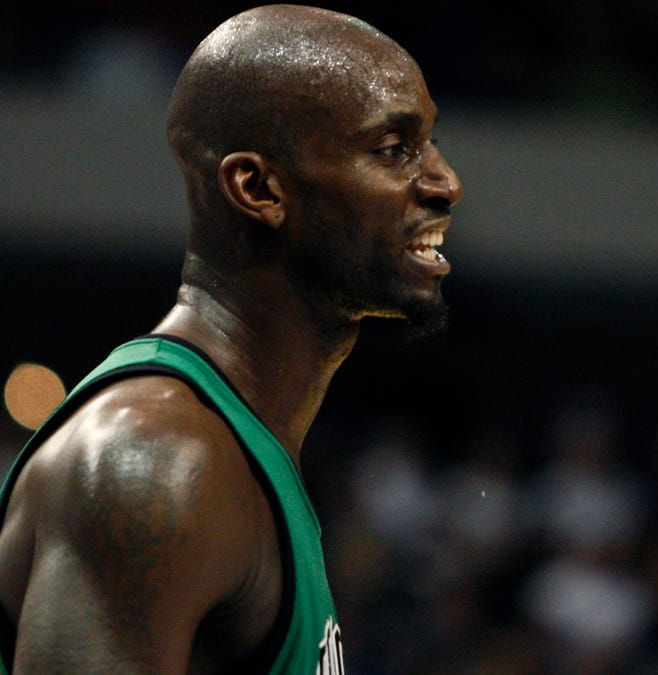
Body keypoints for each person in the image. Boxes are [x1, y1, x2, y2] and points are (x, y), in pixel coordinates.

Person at [0, 4, 461, 673]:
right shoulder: (156, 461)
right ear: (258, 187)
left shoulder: (231, 446)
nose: (446, 181)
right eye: (394, 149)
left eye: (432, 143)